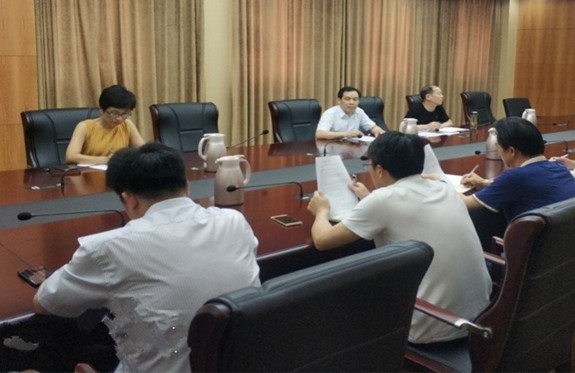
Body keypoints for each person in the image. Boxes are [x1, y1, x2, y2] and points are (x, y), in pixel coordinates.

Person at [33, 143, 261, 372]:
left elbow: (46, 303)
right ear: (187, 186)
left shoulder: (107, 248)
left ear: (129, 200)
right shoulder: (234, 221)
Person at [306, 132, 491, 344]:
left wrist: (321, 211)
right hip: (480, 318)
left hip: (430, 327)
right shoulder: (444, 187)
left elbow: (322, 240)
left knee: (342, 295)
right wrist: (368, 197)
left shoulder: (383, 200)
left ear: (379, 170)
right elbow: (403, 207)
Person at [460, 117, 575, 221]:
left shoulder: (514, 177)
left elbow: (464, 204)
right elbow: (528, 185)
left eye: (498, 147)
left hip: (533, 240)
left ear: (511, 151)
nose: (498, 152)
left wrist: (448, 185)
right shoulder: (560, 168)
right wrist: (483, 183)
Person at [65, 84, 145, 164]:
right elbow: (71, 157)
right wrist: (107, 160)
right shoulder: (85, 127)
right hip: (88, 170)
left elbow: (144, 151)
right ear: (101, 109)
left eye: (125, 113)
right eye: (114, 113)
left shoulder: (127, 124)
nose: (119, 118)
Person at [315, 86, 385, 140]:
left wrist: (378, 131)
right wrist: (346, 134)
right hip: (333, 147)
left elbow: (372, 127)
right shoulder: (330, 113)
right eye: (347, 99)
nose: (352, 102)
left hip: (353, 147)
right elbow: (319, 134)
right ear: (339, 100)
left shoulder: (359, 112)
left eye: (355, 99)